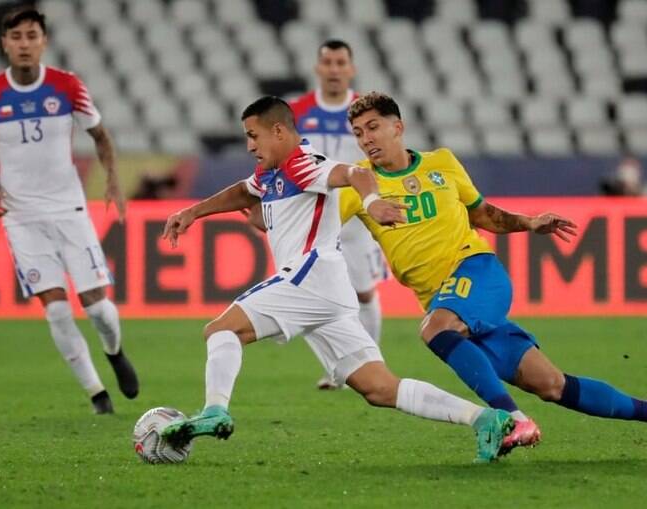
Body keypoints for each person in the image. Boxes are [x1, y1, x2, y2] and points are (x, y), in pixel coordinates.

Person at [341, 92, 647, 457]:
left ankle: (512, 418)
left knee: (435, 329)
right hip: (447, 302)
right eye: (358, 133)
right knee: (552, 385)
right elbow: (316, 217)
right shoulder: (359, 185)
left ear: (398, 127)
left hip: (477, 272)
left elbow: (481, 214)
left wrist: (529, 222)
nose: (366, 139)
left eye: (373, 127)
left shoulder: (442, 163)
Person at [160, 96, 516, 463]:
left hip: (307, 278)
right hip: (328, 292)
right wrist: (193, 211)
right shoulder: (271, 170)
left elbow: (355, 174)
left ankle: (215, 410)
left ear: (279, 131)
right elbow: (243, 191)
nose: (250, 145)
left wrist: (373, 201)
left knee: (220, 330)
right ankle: (486, 418)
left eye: (254, 136)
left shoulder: (304, 163)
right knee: (379, 388)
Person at [0, 7, 138, 414]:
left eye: (31, 36)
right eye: (16, 37)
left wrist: (112, 181)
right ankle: (97, 395)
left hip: (70, 209)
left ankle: (114, 351)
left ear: (44, 41)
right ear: (4, 43)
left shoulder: (67, 86)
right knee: (56, 308)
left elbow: (101, 136)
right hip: (22, 217)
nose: (24, 44)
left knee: (97, 306)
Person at [253, 39, 387, 390]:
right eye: (327, 62)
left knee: (364, 293)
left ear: (351, 69)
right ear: (318, 68)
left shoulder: (363, 113)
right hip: (307, 211)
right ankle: (340, 369)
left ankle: (372, 363)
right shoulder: (297, 111)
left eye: (341, 62)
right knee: (313, 289)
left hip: (356, 209)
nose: (334, 69)